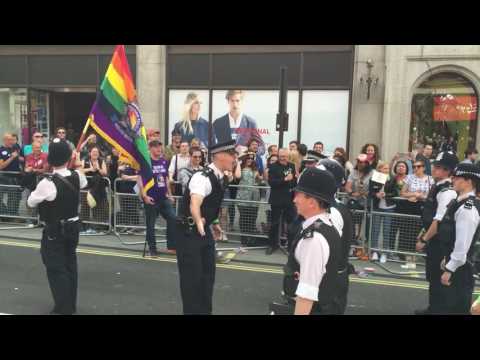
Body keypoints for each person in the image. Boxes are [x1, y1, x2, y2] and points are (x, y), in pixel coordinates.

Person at [175, 139, 237, 314]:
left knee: (207, 278)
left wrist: (214, 223)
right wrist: (199, 223)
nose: (234, 158)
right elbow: (196, 203)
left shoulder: (219, 176)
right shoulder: (202, 177)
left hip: (203, 232)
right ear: (218, 156)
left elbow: (209, 205)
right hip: (189, 233)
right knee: (192, 282)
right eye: (231, 154)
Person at [27, 138, 88, 315]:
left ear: (50, 158)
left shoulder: (47, 184)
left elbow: (31, 202)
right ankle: (70, 304)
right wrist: (76, 163)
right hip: (73, 227)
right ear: (68, 157)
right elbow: (82, 179)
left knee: (56, 268)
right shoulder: (78, 176)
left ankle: (63, 308)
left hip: (55, 230)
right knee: (70, 265)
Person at [282, 167, 343, 315]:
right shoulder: (328, 224)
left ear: (312, 202)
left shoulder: (314, 239)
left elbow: (307, 292)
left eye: (299, 195)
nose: (294, 199)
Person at [414, 151, 458, 315]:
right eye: (435, 165)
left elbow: (438, 221)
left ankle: (438, 310)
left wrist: (424, 240)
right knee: (433, 278)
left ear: (449, 171)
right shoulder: (438, 186)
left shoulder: (447, 191)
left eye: (439, 167)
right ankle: (433, 308)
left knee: (439, 279)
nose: (434, 169)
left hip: (441, 243)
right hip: (435, 240)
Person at [437, 163, 480, 314]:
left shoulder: (467, 208)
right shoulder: (459, 202)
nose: (452, 180)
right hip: (455, 265)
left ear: (469, 181)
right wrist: (447, 258)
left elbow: (463, 245)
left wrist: (450, 268)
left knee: (455, 309)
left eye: (457, 177)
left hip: (460, 270)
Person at [138, 140, 177, 255]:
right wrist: (144, 196)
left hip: (163, 198)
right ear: (150, 148)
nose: (159, 149)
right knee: (151, 225)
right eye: (155, 147)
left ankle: (171, 246)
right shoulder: (146, 162)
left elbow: (165, 179)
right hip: (151, 198)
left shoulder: (163, 161)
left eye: (160, 147)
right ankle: (152, 249)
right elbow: (139, 179)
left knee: (173, 218)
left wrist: (169, 194)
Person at [400, 159, 434, 269]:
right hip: (410, 207)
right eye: (414, 167)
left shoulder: (430, 179)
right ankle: (409, 259)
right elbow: (402, 193)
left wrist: (421, 196)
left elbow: (431, 195)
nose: (415, 169)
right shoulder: (410, 177)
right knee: (408, 233)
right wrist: (413, 194)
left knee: (419, 233)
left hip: (424, 208)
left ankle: (415, 258)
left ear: (423, 168)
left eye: (418, 167)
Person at [212, 90, 265, 156]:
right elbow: (211, 146)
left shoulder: (250, 123)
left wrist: (248, 149)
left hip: (244, 163)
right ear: (228, 101)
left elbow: (262, 148)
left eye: (237, 101)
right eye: (232, 101)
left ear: (242, 101)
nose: (235, 104)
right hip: (224, 163)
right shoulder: (218, 123)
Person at [266, 148, 297, 255]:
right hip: (277, 199)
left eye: (285, 156)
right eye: (281, 156)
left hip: (289, 199)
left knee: (292, 223)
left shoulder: (291, 166)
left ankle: (291, 246)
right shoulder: (273, 167)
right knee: (274, 223)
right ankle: (272, 245)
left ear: (288, 156)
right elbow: (271, 182)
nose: (283, 158)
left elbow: (294, 182)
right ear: (278, 156)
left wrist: (292, 180)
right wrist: (284, 180)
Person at [369, 161, 396, 263]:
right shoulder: (375, 178)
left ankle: (384, 252)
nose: (386, 171)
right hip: (377, 207)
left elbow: (395, 192)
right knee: (375, 230)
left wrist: (386, 195)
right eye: (384, 169)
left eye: (388, 169)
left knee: (386, 230)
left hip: (389, 207)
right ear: (379, 169)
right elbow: (371, 192)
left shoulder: (392, 178)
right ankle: (374, 251)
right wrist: (376, 195)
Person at [345, 154, 373, 243]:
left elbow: (376, 187)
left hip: (368, 201)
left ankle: (367, 244)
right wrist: (352, 193)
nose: (360, 164)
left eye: (362, 162)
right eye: (359, 162)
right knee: (354, 218)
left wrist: (365, 193)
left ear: (367, 163)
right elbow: (347, 187)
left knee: (369, 223)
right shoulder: (353, 172)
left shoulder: (373, 173)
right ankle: (353, 240)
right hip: (356, 200)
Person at [236, 151, 262, 246]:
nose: (250, 160)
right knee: (243, 217)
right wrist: (238, 163)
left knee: (252, 218)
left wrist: (260, 177)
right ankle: (244, 239)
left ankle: (250, 239)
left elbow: (260, 179)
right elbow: (237, 176)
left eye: (252, 158)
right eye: (248, 158)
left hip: (254, 196)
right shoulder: (240, 168)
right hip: (243, 196)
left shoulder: (255, 168)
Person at [81, 146, 109, 234]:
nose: (95, 153)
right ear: (90, 153)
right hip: (86, 188)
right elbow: (80, 170)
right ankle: (84, 227)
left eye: (96, 152)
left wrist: (98, 169)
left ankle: (98, 227)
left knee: (99, 207)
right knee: (85, 207)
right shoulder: (85, 159)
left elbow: (105, 172)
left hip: (99, 189)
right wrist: (90, 169)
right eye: (93, 152)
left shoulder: (101, 161)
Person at [0, 133, 22, 216]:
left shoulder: (15, 148)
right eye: (8, 139)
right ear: (4, 140)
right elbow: (1, 166)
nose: (11, 141)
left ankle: (12, 215)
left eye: (12, 139)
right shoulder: (1, 150)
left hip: (16, 177)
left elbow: (21, 160)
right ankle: (4, 214)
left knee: (15, 198)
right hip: (5, 177)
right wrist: (12, 157)